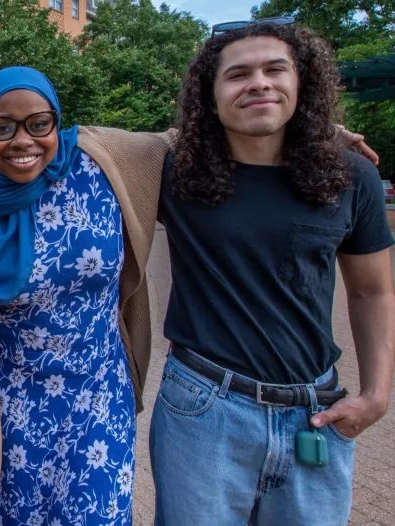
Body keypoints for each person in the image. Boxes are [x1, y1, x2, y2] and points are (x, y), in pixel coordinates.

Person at [151, 20, 394, 525]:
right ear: (210, 96)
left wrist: (376, 394)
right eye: (237, 74)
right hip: (204, 410)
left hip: (316, 412)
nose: (258, 82)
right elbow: (78, 150)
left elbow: (371, 292)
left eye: (274, 69)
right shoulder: (174, 171)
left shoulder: (352, 178)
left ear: (301, 82)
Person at [0, 67, 178, 526]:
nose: (22, 139)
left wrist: (314, 133)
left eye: (38, 123)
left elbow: (184, 140)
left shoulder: (100, 160)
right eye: (2, 127)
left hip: (100, 394)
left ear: (57, 121)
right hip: (14, 405)